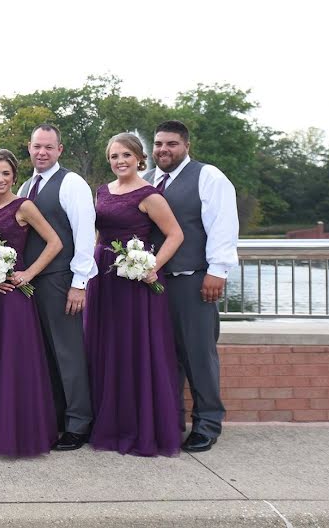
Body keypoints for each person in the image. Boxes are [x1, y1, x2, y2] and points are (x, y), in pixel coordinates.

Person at [84, 133, 184, 456]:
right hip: (104, 276)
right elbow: (98, 234)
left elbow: (175, 234)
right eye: (114, 156)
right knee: (106, 346)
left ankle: (137, 425)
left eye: (126, 155)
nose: (120, 161)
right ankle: (108, 421)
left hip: (133, 281)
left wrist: (152, 266)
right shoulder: (101, 191)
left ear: (140, 158)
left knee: (132, 349)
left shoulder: (149, 194)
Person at [144, 120, 239, 453]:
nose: (163, 150)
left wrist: (218, 271)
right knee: (163, 357)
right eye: (158, 144)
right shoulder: (146, 181)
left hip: (193, 279)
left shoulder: (208, 177)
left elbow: (223, 226)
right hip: (152, 285)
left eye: (171, 144)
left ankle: (208, 424)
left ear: (186, 145)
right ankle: (171, 421)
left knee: (198, 354)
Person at [0, 149, 63, 457]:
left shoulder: (25, 206)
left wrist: (28, 274)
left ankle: (20, 431)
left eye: (6, 173)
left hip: (14, 295)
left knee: (15, 359)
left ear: (14, 177)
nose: (0, 179)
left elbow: (55, 242)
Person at [18, 124, 97, 451]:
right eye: (37, 146)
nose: (42, 152)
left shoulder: (72, 183)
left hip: (61, 279)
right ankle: (54, 418)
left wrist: (79, 283)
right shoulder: (25, 186)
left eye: (49, 147)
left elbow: (83, 234)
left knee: (68, 352)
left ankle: (79, 423)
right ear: (29, 147)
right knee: (44, 353)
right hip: (31, 283)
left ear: (59, 150)